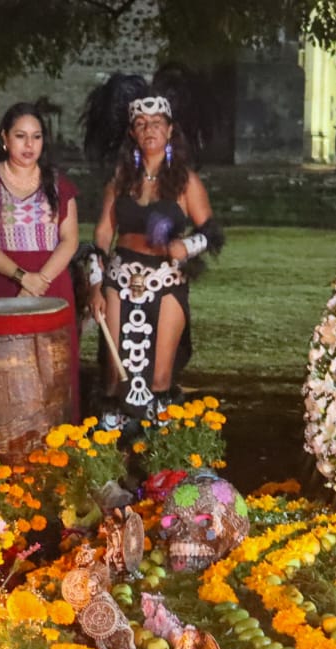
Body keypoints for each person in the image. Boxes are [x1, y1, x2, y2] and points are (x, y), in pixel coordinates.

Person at [81, 71, 223, 430]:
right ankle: (110, 465)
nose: (150, 130)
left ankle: (160, 466)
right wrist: (96, 284)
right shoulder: (120, 179)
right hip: (120, 280)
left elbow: (211, 232)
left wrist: (184, 246)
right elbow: (101, 235)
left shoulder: (186, 180)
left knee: (159, 378)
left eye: (157, 123)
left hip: (165, 281)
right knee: (116, 376)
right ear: (132, 133)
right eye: (141, 124)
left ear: (170, 130)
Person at [0, 102, 81, 416]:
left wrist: (38, 281)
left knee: (50, 367)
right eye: (20, 136)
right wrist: (21, 278)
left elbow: (70, 240)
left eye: (37, 137)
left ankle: (58, 446)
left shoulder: (58, 183)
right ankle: (2, 448)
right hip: (2, 284)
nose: (29, 145)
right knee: (2, 366)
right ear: (5, 138)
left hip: (52, 283)